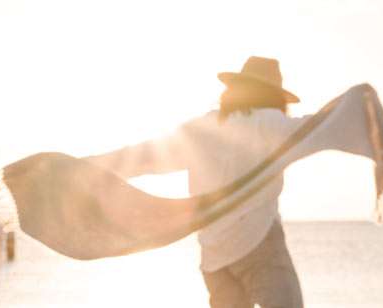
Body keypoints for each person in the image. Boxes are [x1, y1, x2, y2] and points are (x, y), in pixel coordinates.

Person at [84, 56, 307, 308]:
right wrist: (356, 104)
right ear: (274, 96)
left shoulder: (203, 129)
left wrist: (90, 166)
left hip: (215, 254)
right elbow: (318, 130)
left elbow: (144, 156)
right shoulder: (270, 123)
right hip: (258, 243)